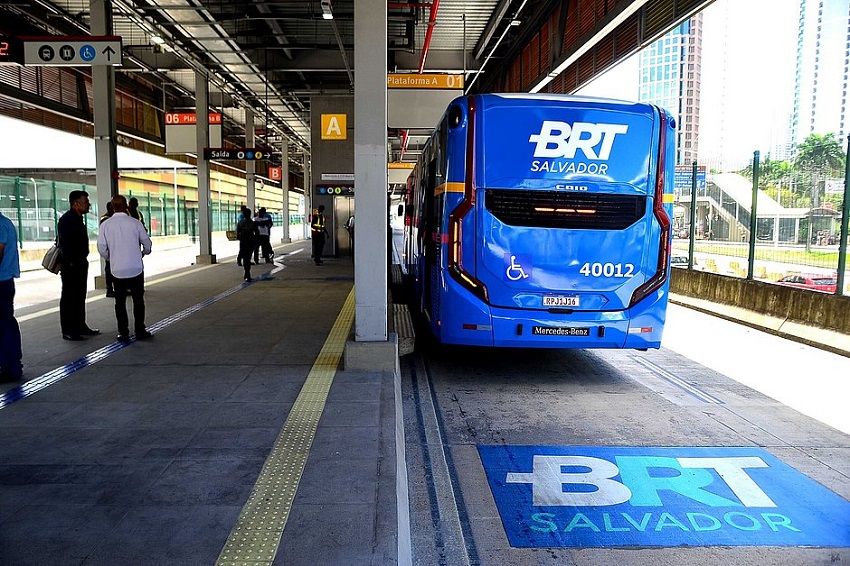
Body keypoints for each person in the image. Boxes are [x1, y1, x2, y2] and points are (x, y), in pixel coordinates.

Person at [97, 195, 153, 342]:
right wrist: (144, 253)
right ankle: (140, 330)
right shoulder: (135, 223)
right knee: (138, 300)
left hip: (117, 269)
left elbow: (102, 248)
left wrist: (110, 257)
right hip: (136, 267)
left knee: (120, 302)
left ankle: (123, 332)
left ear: (112, 207)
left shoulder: (105, 225)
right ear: (126, 206)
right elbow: (147, 243)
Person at [57, 190, 99, 341]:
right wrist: (72, 262)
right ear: (76, 203)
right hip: (71, 266)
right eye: (86, 202)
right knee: (69, 297)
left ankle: (80, 325)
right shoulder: (67, 220)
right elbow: (66, 245)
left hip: (80, 263)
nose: (88, 205)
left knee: (80, 296)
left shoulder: (77, 219)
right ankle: (68, 330)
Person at [0, 211, 22, 382]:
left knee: (4, 324)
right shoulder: (5, 223)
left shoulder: (1, 225)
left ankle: (10, 366)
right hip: (5, 281)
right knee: (6, 322)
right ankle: (12, 364)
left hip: (1, 282)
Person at [99, 201, 116, 297]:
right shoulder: (105, 219)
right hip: (109, 249)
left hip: (112, 248)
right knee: (109, 270)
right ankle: (109, 289)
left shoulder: (109, 218)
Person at [236, 207, 258, 281]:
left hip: (243, 242)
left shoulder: (240, 223)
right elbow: (257, 232)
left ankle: (246, 272)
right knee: (248, 257)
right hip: (251, 242)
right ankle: (247, 273)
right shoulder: (252, 223)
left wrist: (241, 238)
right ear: (249, 214)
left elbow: (237, 234)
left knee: (245, 257)